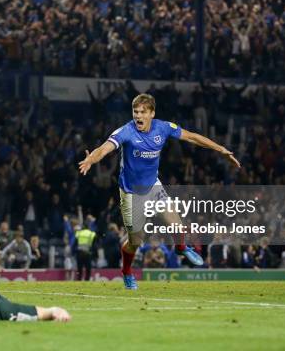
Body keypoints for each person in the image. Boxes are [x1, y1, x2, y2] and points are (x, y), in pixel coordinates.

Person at [78, 93, 240, 290]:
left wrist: (221, 149)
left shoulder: (163, 128)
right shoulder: (126, 132)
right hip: (130, 194)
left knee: (177, 225)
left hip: (153, 187)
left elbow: (192, 137)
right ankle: (127, 272)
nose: (138, 116)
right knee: (135, 242)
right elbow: (104, 149)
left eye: (142, 112)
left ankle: (181, 248)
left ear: (152, 113)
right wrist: (90, 160)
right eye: (135, 112)